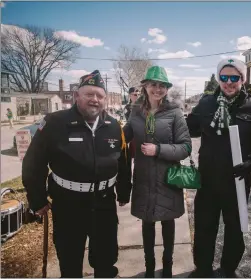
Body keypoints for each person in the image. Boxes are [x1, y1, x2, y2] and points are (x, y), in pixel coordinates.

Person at [22, 70, 132, 278]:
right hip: (68, 205)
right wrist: (37, 199)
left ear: (105, 100)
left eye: (99, 96)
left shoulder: (114, 126)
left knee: (106, 260)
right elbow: (33, 163)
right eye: (89, 94)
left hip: (104, 203)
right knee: (70, 263)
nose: (95, 100)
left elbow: (123, 161)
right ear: (76, 97)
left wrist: (124, 190)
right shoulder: (55, 122)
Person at [186, 58, 251, 278]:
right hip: (207, 179)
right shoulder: (206, 104)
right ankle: (203, 268)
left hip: (238, 180)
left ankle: (228, 269)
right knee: (205, 226)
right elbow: (189, 128)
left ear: (242, 79)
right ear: (219, 78)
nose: (228, 82)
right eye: (224, 77)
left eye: (234, 78)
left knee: (234, 228)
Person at [124, 66, 192, 278]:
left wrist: (159, 149)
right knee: (147, 222)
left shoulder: (174, 113)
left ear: (166, 89)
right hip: (144, 178)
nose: (157, 89)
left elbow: (185, 147)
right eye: (153, 84)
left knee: (168, 221)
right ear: (145, 86)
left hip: (167, 179)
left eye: (162, 85)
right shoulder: (135, 112)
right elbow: (122, 137)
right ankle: (150, 266)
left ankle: (168, 265)